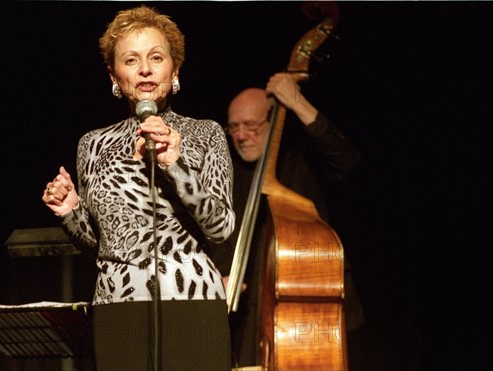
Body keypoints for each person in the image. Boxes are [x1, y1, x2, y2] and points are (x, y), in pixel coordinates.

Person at [41, 6, 234, 371]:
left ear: (174, 70)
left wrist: (174, 166)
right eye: (131, 60)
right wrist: (69, 211)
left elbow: (221, 227)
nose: (145, 69)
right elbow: (97, 242)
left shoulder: (205, 133)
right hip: (117, 304)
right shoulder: (92, 144)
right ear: (114, 75)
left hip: (190, 299)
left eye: (156, 58)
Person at [213, 72, 365, 368]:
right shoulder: (226, 170)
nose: (241, 136)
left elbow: (352, 166)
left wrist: (297, 102)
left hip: (312, 316)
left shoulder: (303, 158)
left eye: (251, 126)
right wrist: (216, 276)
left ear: (272, 121)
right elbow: (217, 236)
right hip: (246, 319)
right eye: (233, 128)